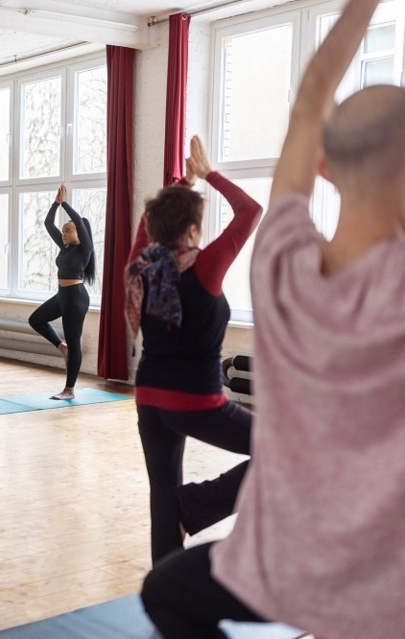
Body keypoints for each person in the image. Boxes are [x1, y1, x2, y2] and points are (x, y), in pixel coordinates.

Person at [142, 2, 405, 637]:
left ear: (323, 166)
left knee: (168, 590)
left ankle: (195, 504)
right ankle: (199, 502)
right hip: (381, 581)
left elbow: (311, 95)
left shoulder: (281, 266)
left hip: (285, 563)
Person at [126, 136, 262, 564]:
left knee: (162, 494)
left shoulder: (140, 266)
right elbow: (250, 212)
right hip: (199, 402)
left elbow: (148, 225)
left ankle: (163, 592)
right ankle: (198, 506)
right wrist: (207, 175)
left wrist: (181, 186)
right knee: (289, 452)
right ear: (192, 229)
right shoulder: (205, 265)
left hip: (150, 398)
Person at [28, 184, 95, 400]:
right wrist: (56, 204)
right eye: (63, 231)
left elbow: (80, 226)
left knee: (75, 342)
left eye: (68, 230)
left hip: (76, 298)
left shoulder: (84, 248)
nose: (64, 234)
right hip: (62, 296)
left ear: (78, 232)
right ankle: (61, 347)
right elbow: (48, 223)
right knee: (36, 320)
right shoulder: (64, 247)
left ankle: (69, 390)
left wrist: (66, 203)